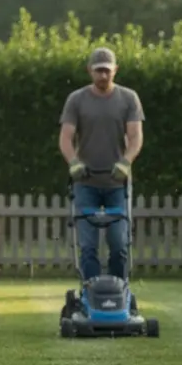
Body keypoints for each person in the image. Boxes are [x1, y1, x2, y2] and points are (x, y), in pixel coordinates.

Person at [58, 47, 145, 282]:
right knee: (87, 246)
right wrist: (74, 162)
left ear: (115, 70)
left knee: (119, 244)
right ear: (90, 72)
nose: (103, 76)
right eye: (98, 71)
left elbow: (136, 136)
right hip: (85, 183)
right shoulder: (77, 99)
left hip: (117, 183)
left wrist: (126, 162)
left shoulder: (128, 98)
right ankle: (90, 292)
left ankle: (120, 292)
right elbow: (66, 137)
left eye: (107, 71)